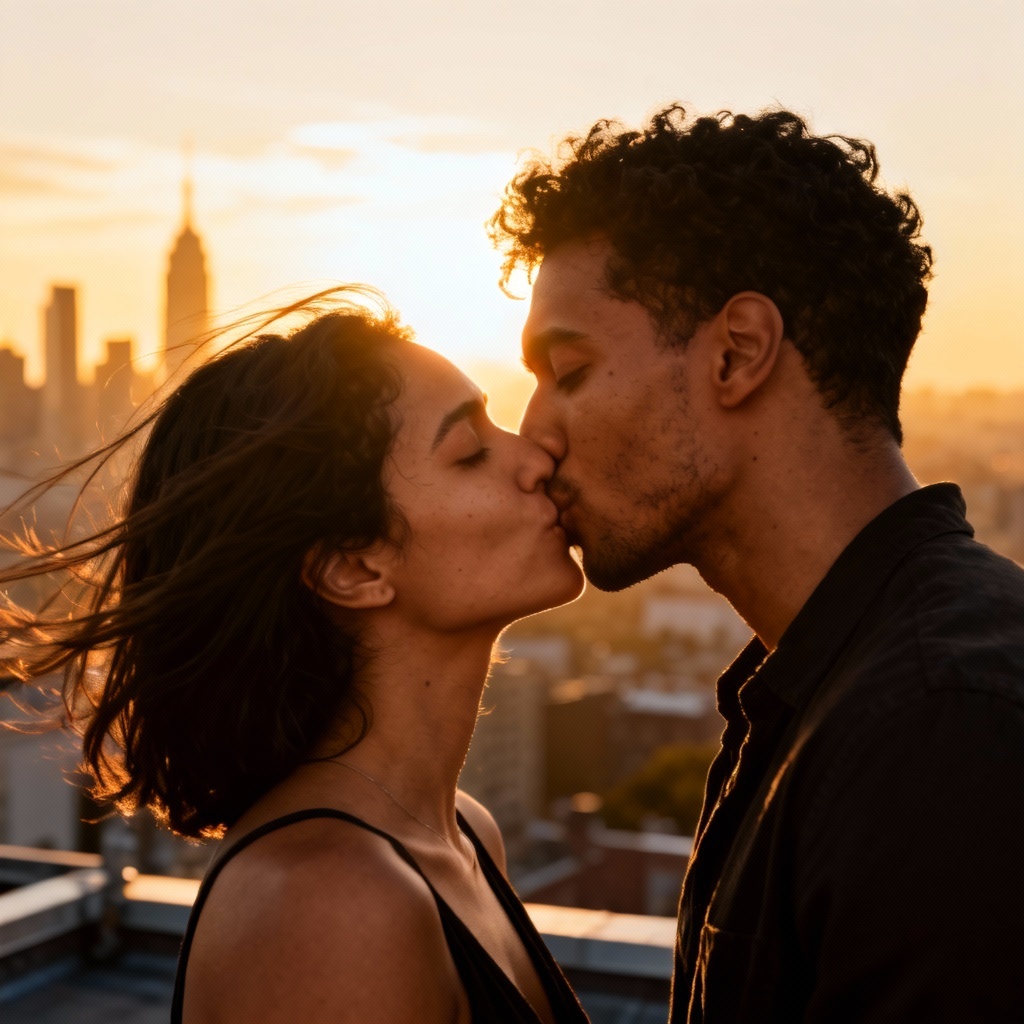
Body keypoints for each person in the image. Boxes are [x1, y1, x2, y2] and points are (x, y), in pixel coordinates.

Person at [490, 106, 1024, 1022]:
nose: (535, 433)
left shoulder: (942, 724)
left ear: (737, 353)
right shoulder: (840, 694)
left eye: (568, 371)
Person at [0, 288, 591, 1024]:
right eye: (470, 452)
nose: (536, 457)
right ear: (354, 568)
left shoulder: (463, 835)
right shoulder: (327, 906)